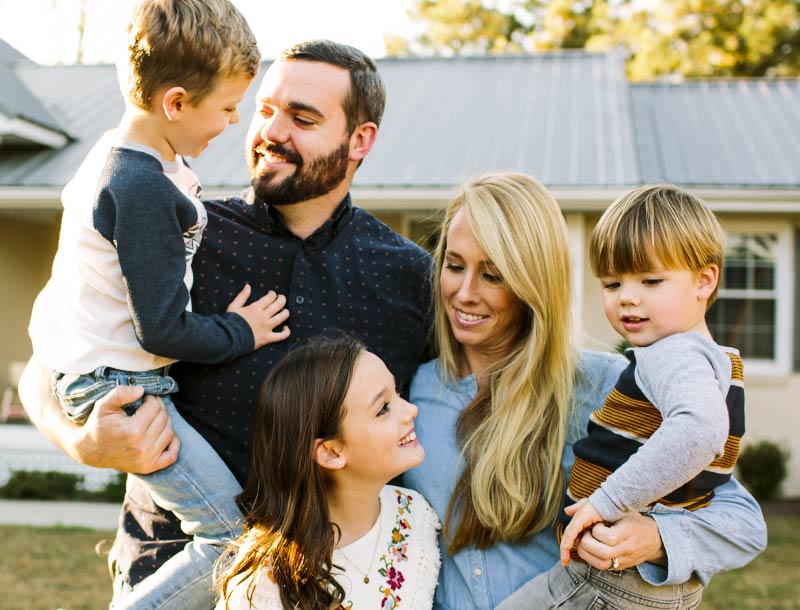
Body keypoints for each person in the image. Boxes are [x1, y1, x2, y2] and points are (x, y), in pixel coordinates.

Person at [19, 38, 433, 606]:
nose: (272, 131)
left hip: (335, 588)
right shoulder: (181, 232)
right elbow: (48, 363)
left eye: (302, 118)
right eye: (264, 109)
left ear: (360, 140)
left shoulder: (408, 275)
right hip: (171, 571)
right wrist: (83, 442)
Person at [402, 171, 767, 610]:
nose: (464, 292)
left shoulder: (609, 386)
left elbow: (742, 523)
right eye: (454, 265)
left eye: (493, 275)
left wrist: (653, 539)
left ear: (532, 282)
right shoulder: (412, 390)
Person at [27, 1, 285, 608]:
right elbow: (162, 329)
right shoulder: (139, 186)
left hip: (110, 374)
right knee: (230, 541)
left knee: (229, 539)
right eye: (226, 108)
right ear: (175, 104)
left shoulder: (143, 161)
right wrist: (240, 331)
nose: (235, 122)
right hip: (122, 387)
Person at [495, 183, 745, 610]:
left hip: (610, 580)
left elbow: (701, 431)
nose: (628, 296)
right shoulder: (714, 361)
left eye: (650, 280)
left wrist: (606, 501)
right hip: (652, 580)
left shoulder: (673, 353)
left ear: (704, 280)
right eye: (612, 284)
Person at [215, 335, 440, 610]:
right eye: (383, 409)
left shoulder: (416, 515)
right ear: (331, 452)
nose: (412, 410)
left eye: (398, 393)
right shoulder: (261, 587)